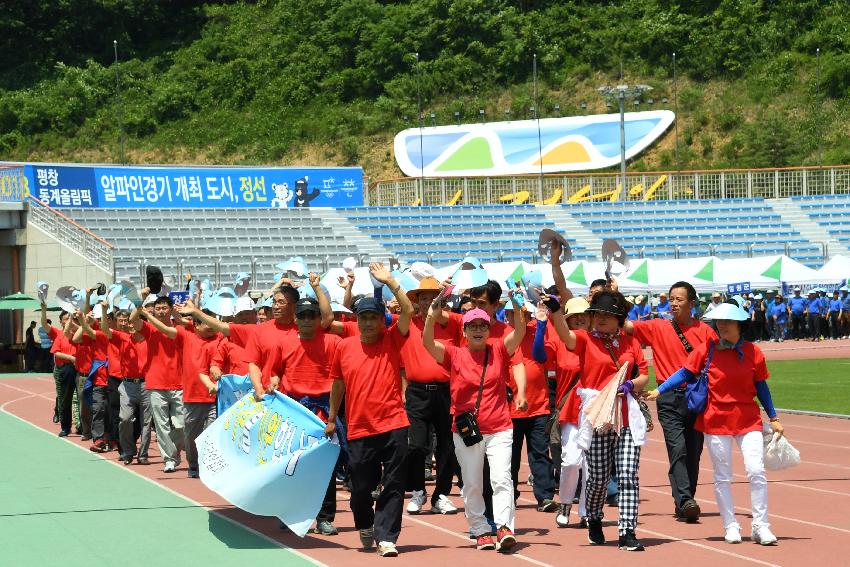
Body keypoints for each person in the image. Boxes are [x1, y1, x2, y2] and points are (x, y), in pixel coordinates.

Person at [647, 301, 784, 546]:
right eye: (719, 322)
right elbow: (685, 372)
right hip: (715, 418)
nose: (721, 326)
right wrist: (660, 389)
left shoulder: (754, 352)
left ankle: (761, 525)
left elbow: (762, 386)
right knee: (722, 476)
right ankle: (730, 525)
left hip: (748, 418)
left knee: (756, 471)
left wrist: (773, 418)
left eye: (727, 321)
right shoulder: (706, 349)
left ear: (739, 325)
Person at [422, 293, 527, 553]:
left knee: (502, 479)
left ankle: (504, 528)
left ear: (489, 328)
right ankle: (480, 529)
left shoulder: (500, 349)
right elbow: (426, 343)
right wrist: (431, 314)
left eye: (482, 325)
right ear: (465, 331)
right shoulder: (455, 354)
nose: (478, 330)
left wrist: (515, 303)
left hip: (500, 426)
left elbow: (520, 331)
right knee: (472, 482)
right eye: (473, 327)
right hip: (468, 431)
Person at [550, 289, 649, 551]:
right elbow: (565, 335)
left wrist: (631, 385)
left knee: (628, 474)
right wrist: (555, 311)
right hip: (596, 415)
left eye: (609, 315)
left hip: (625, 415)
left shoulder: (631, 343)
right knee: (598, 478)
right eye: (598, 314)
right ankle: (594, 517)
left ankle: (627, 529)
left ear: (619, 318)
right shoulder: (585, 339)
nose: (602, 319)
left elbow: (644, 375)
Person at [324, 263, 413, 558]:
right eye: (364, 318)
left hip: (394, 423)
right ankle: (364, 521)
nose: (369, 324)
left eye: (374, 318)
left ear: (381, 321)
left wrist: (390, 282)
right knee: (361, 488)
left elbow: (409, 312)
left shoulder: (392, 339)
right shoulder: (344, 347)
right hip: (360, 428)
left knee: (395, 483)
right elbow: (337, 384)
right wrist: (331, 416)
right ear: (358, 320)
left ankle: (387, 536)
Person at [622, 281, 717, 523]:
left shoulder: (706, 332)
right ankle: (685, 500)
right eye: (672, 299)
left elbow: (717, 360)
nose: (673, 303)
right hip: (668, 397)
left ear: (692, 303)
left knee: (694, 452)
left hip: (697, 397)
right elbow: (625, 325)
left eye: (679, 299)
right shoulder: (657, 327)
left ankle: (685, 500)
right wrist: (612, 296)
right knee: (678, 449)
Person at [270, 290, 341, 535]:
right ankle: (291, 514)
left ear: (319, 318)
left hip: (322, 412)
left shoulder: (333, 343)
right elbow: (275, 372)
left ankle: (324, 517)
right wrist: (273, 382)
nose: (308, 319)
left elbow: (339, 381)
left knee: (325, 467)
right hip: (294, 411)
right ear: (296, 319)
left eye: (312, 315)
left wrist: (332, 417)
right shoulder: (284, 342)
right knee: (291, 466)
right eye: (303, 315)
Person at [401, 276, 460, 516]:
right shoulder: (408, 324)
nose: (427, 303)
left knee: (447, 445)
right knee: (415, 445)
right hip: (417, 392)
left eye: (432, 298)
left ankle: (441, 495)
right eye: (423, 298)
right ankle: (418, 490)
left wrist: (445, 297)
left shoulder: (452, 324)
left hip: (447, 391)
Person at [142, 300, 221, 478]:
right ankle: (192, 464)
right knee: (189, 436)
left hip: (215, 397)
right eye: (205, 323)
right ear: (196, 325)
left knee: (211, 433)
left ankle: (207, 465)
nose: (210, 327)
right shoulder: (186, 335)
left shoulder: (220, 337)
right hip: (192, 396)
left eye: (212, 322)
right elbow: (167, 330)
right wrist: (148, 315)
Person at [505, 301, 557, 513]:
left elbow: (540, 355)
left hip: (539, 406)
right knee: (511, 456)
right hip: (510, 408)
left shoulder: (539, 332)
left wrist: (542, 323)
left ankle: (544, 496)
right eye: (510, 314)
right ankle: (509, 495)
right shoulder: (504, 337)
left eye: (521, 314)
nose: (516, 318)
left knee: (539, 453)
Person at [130, 292, 185, 473]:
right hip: (155, 384)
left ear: (170, 310)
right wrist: (139, 302)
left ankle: (176, 451)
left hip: (178, 384)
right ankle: (169, 459)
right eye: (158, 308)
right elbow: (133, 320)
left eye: (164, 308)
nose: (160, 311)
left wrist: (148, 315)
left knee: (180, 425)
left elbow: (167, 332)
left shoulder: (179, 329)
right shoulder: (149, 329)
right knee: (161, 426)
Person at [41, 307, 76, 436]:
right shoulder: (57, 333)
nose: (68, 321)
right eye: (65, 319)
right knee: (65, 399)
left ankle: (82, 426)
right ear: (61, 322)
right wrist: (43, 310)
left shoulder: (78, 333)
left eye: (70, 319)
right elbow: (45, 324)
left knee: (81, 400)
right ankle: (65, 427)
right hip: (65, 368)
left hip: (80, 368)